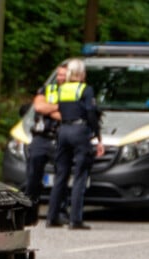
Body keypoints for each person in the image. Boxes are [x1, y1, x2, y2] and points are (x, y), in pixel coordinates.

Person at [44, 58, 104, 229]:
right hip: (79, 130)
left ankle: (52, 216)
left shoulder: (62, 89)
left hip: (63, 131)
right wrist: (97, 136)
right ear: (83, 73)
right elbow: (91, 113)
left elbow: (59, 108)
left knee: (61, 174)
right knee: (80, 175)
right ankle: (75, 219)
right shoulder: (86, 89)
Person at [25, 63, 68, 219]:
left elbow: (68, 115)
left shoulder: (74, 92)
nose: (61, 78)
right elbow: (39, 106)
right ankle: (29, 212)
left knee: (62, 177)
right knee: (32, 177)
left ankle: (59, 212)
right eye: (59, 74)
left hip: (60, 137)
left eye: (64, 75)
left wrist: (50, 109)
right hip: (41, 137)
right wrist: (58, 107)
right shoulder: (47, 89)